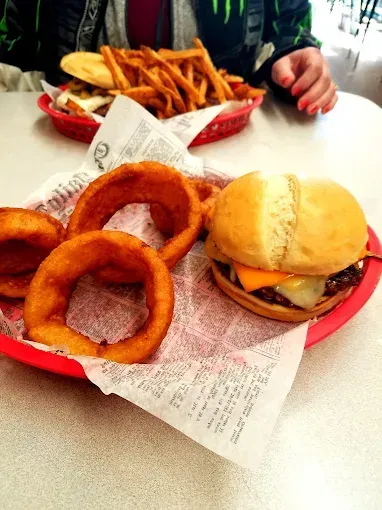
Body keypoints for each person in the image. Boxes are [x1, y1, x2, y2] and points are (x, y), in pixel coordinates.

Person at [0, 0, 337, 114]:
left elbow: (288, 21)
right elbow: (11, 36)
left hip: (228, 132)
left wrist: (292, 50)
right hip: (64, 129)